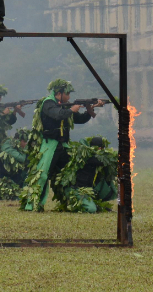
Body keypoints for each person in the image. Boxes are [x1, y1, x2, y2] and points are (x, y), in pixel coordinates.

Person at [20, 78, 105, 211]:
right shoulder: (47, 103)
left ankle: (77, 204)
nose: (69, 96)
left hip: (63, 146)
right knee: (42, 175)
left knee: (69, 174)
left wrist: (92, 108)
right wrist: (71, 110)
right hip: (49, 145)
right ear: (59, 93)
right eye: (67, 93)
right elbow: (57, 115)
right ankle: (33, 205)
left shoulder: (65, 107)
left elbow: (80, 119)